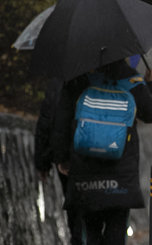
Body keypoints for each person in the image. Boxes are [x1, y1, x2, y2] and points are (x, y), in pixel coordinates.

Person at [52, 59, 152, 245]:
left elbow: (61, 121)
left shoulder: (79, 80)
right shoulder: (130, 80)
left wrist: (62, 158)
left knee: (92, 231)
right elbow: (151, 113)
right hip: (120, 171)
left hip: (85, 168)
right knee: (116, 230)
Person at [34, 77, 83, 244]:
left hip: (67, 161)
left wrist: (44, 162)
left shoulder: (58, 82)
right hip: (97, 156)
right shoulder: (103, 76)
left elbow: (47, 122)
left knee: (75, 211)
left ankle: (77, 239)